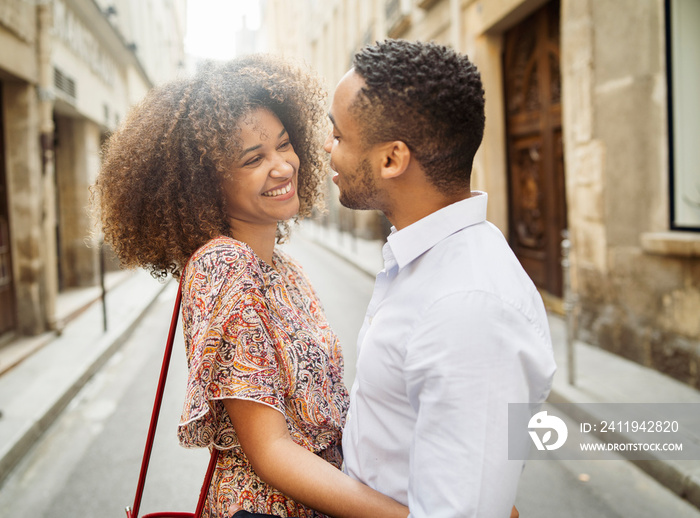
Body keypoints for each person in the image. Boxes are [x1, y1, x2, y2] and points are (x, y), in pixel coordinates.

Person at [94, 55, 408, 518]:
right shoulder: (224, 266)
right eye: (253, 159)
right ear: (208, 184)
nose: (282, 166)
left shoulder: (285, 270)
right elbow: (270, 451)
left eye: (284, 144)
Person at [324, 39, 557, 517]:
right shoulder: (422, 263)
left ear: (392, 159)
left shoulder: (470, 309)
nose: (330, 150)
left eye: (339, 135)